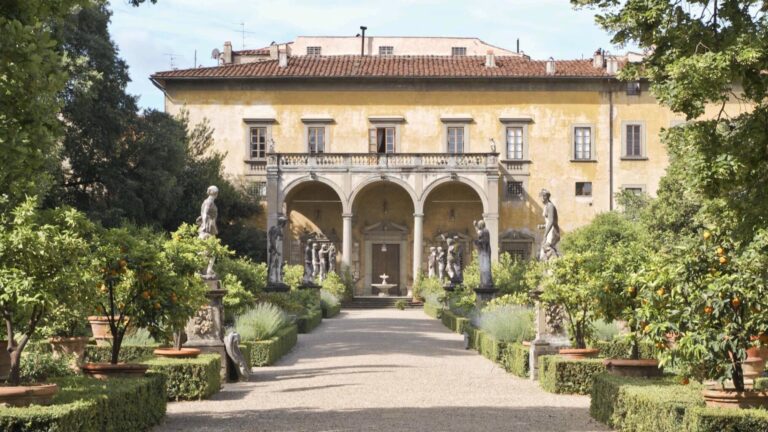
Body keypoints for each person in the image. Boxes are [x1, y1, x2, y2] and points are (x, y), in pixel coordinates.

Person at [540, 190, 561, 260]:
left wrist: (545, 235)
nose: (541, 198)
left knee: (547, 248)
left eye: (542, 196)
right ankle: (547, 266)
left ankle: (552, 265)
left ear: (545, 197)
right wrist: (543, 226)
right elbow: (548, 221)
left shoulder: (550, 206)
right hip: (550, 230)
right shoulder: (546, 206)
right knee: (545, 250)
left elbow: (551, 221)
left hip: (553, 231)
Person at [474, 219, 493, 289]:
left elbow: (485, 240)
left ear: (481, 225)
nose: (478, 227)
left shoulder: (485, 231)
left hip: (485, 251)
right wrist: (475, 226)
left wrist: (478, 242)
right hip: (483, 251)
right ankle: (483, 282)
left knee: (485, 267)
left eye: (479, 225)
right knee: (483, 267)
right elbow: (479, 233)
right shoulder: (483, 231)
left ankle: (487, 282)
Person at [268, 217, 287, 283]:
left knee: (278, 265)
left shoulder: (279, 229)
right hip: (274, 250)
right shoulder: (276, 229)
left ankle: (278, 280)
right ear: (282, 223)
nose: (286, 224)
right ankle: (272, 280)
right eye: (285, 222)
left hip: (276, 250)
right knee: (273, 264)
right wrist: (276, 250)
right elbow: (273, 239)